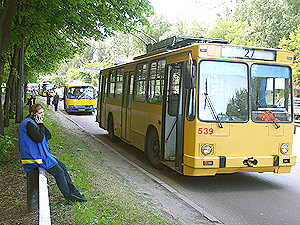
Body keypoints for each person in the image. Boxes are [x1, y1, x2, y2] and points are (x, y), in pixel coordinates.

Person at [18, 103, 86, 202]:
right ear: (33, 114)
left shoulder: (35, 123)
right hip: (35, 158)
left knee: (63, 167)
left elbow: (48, 135)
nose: (42, 115)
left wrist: (41, 124)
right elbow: (38, 138)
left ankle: (74, 193)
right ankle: (69, 197)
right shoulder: (29, 123)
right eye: (40, 113)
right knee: (59, 173)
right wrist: (40, 125)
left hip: (42, 155)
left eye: (43, 113)